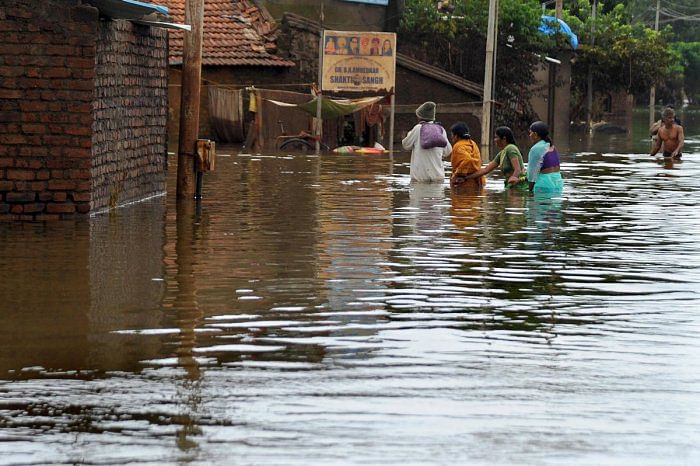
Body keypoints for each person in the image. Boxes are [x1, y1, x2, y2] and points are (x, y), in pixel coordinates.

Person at [463, 126, 528, 191]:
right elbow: (486, 170)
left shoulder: (511, 148)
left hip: (520, 186)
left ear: (504, 138)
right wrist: (466, 178)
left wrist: (513, 177)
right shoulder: (502, 153)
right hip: (510, 186)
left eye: (496, 137)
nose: (494, 140)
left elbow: (518, 169)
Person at [402, 101, 452, 183]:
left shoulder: (418, 128)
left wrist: (409, 134)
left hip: (420, 177)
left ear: (419, 117)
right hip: (438, 177)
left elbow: (406, 145)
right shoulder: (441, 130)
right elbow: (448, 151)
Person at [527, 121, 563, 194]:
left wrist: (530, 192)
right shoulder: (551, 146)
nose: (529, 135)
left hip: (543, 185)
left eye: (530, 133)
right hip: (558, 183)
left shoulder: (536, 148)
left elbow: (531, 174)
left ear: (536, 134)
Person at [449, 122, 483, 190]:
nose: (451, 137)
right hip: (477, 182)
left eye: (452, 135)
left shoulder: (458, 146)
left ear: (456, 136)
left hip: (463, 183)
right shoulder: (472, 143)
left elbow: (468, 159)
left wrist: (457, 175)